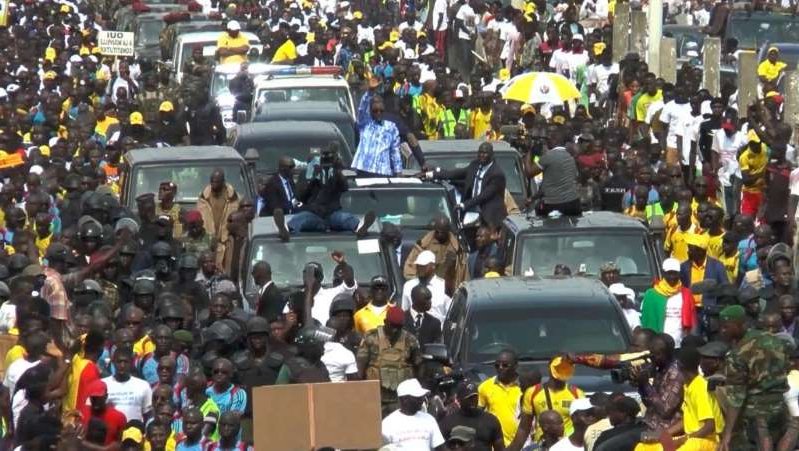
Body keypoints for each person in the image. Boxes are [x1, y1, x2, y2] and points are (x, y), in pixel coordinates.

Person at [718, 304, 790, 451]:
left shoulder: (737, 354)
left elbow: (736, 398)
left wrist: (728, 433)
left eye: (726, 327)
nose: (722, 331)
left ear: (739, 325)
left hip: (755, 416)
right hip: (780, 409)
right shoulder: (774, 340)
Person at [357, 305, 422, 415]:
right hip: (375, 398)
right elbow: (360, 365)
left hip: (401, 401)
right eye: (392, 326)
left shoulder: (410, 340)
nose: (395, 330)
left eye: (399, 327)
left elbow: (419, 366)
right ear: (385, 321)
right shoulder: (371, 337)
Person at [428, 142, 508, 228]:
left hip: (489, 217)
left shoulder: (497, 174)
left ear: (492, 155)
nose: (482, 155)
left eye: (485, 153)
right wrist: (432, 174)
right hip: (471, 213)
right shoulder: (475, 165)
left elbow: (483, 196)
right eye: (480, 152)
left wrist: (463, 205)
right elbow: (455, 174)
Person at [511, 356, 584, 449]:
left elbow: (582, 426)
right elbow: (524, 428)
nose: (562, 370)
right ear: (550, 368)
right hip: (542, 446)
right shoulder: (533, 392)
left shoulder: (577, 394)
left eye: (565, 367)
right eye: (558, 367)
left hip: (567, 446)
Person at [671, 346, 724, 450]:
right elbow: (687, 420)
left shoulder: (700, 387)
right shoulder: (688, 386)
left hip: (708, 441)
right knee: (648, 447)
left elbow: (710, 426)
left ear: (679, 366)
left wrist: (684, 439)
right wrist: (664, 434)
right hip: (692, 439)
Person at [352, 77, 403, 177]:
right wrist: (370, 91)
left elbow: (395, 150)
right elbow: (362, 109)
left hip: (383, 172)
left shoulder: (391, 127)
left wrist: (398, 170)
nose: (378, 113)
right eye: (375, 111)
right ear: (370, 111)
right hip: (364, 171)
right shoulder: (364, 124)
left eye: (381, 110)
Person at [640, 258, 697, 346]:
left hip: (680, 343)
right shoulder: (651, 294)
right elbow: (646, 321)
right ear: (663, 273)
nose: (672, 277)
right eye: (669, 273)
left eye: (675, 273)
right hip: (659, 345)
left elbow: (692, 320)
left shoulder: (686, 293)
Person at [637, 333, 684, 433]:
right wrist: (641, 385)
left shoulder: (675, 374)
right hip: (649, 423)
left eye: (658, 354)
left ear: (668, 353)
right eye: (652, 353)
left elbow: (665, 411)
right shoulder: (660, 369)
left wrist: (646, 385)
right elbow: (649, 404)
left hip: (662, 428)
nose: (653, 357)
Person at [403, 216, 469, 288]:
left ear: (447, 232)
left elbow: (463, 272)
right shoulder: (423, 245)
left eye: (442, 233)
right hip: (425, 286)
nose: (439, 234)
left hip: (448, 288)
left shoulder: (456, 249)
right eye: (437, 232)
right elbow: (409, 267)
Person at [381, 378, 445, 449]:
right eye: (418, 397)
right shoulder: (388, 424)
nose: (422, 399)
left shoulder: (429, 419)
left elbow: (440, 447)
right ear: (405, 399)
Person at [439, 381, 505, 450]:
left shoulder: (491, 420)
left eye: (475, 396)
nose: (473, 400)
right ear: (459, 399)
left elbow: (500, 448)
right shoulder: (447, 423)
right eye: (469, 398)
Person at [478, 349, 522, 447]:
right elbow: (477, 415)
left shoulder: (525, 386)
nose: (500, 368)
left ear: (515, 366)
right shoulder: (485, 387)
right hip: (495, 446)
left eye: (505, 365)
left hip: (521, 445)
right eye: (497, 365)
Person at [102, 346, 153, 423]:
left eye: (126, 362)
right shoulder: (103, 384)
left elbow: (148, 414)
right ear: (113, 362)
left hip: (135, 432)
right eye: (119, 362)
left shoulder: (143, 386)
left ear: (131, 363)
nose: (122, 365)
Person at [401, 250, 452, 322]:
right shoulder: (408, 286)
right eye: (418, 265)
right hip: (414, 330)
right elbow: (404, 310)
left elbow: (449, 314)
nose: (420, 268)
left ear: (433, 266)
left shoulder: (443, 286)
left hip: (437, 330)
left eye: (424, 266)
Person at [196, 169, 240, 244]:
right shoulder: (204, 199)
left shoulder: (233, 198)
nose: (214, 184)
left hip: (227, 239)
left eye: (217, 182)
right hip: (208, 240)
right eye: (212, 181)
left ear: (223, 182)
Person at [78, 379, 128, 445]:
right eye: (93, 398)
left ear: (106, 396)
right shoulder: (81, 413)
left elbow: (121, 445)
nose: (96, 401)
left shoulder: (119, 417)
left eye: (99, 398)